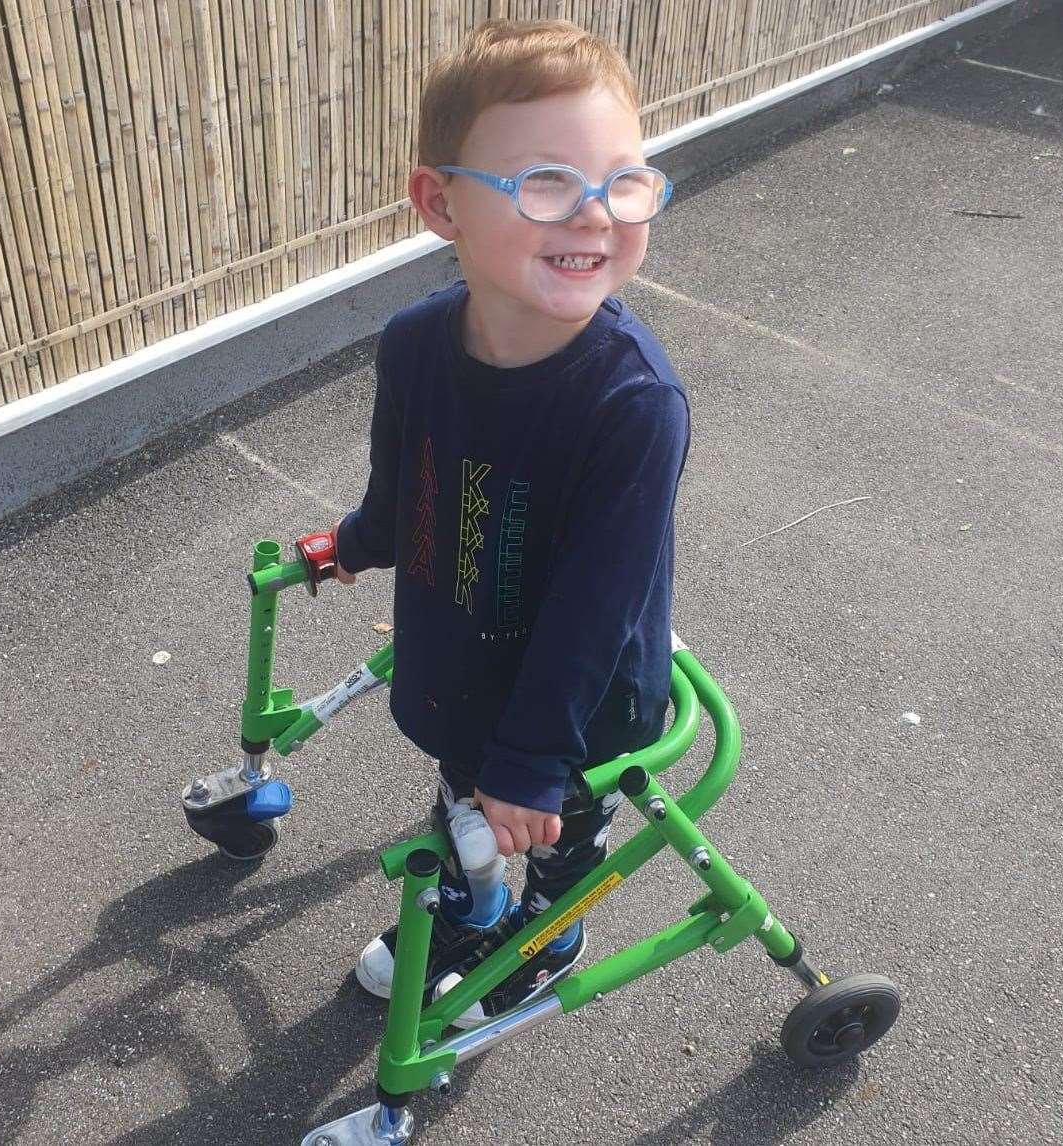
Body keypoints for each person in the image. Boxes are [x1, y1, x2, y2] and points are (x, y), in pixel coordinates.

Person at [331, 17, 690, 1027]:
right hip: (458, 656)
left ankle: (547, 928)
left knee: (550, 832)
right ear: (440, 204)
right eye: (544, 183)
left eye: (623, 182)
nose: (593, 218)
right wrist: (359, 544)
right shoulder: (414, 345)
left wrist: (535, 757)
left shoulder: (633, 404)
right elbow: (402, 484)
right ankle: (472, 897)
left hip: (573, 714)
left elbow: (596, 608)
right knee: (460, 796)